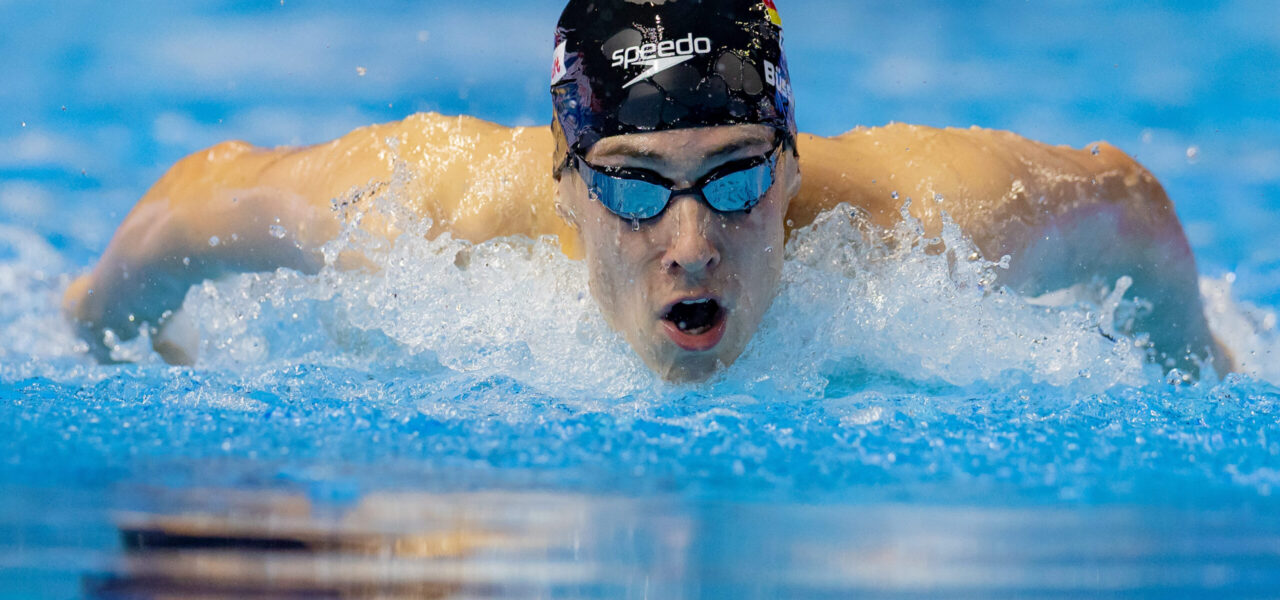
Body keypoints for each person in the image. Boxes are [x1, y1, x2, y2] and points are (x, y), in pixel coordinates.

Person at [62, 0, 1229, 381]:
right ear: (562, 184)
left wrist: (1201, 374)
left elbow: (1127, 203)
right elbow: (183, 210)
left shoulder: (932, 222)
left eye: (734, 179)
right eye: (632, 191)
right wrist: (108, 336)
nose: (688, 245)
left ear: (792, 169)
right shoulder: (428, 213)